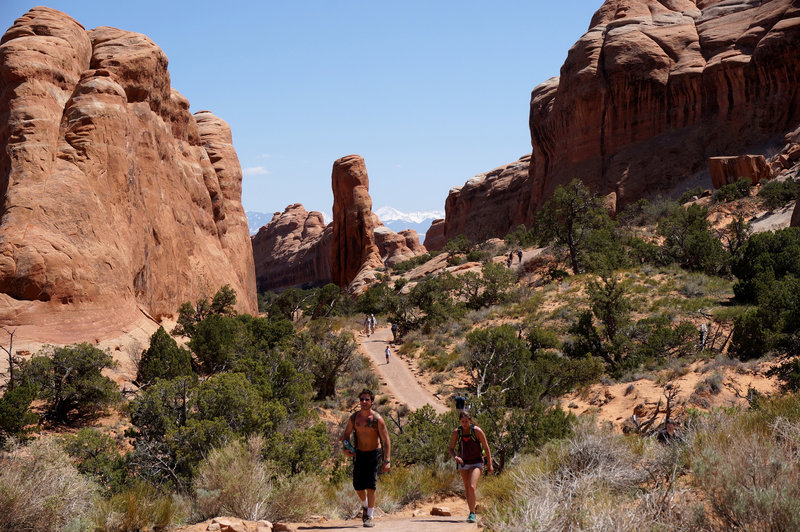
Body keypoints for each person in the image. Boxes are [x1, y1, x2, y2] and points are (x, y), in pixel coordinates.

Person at [340, 389, 391, 528]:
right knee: (358, 485)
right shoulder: (354, 418)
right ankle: (365, 505)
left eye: (367, 399)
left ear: (372, 401)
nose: (363, 402)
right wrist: (347, 449)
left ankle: (370, 516)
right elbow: (345, 436)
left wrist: (387, 460)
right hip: (360, 454)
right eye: (362, 399)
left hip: (374, 453)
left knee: (371, 486)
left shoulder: (377, 419)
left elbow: (386, 441)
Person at [449, 411, 493, 523]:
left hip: (477, 462)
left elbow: (486, 447)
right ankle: (471, 512)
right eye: (462, 422)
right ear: (459, 421)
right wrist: (455, 457)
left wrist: (490, 464)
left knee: (472, 486)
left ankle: (473, 513)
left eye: (466, 421)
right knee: (467, 488)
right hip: (463, 462)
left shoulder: (476, 431)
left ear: (470, 420)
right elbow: (451, 449)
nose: (464, 424)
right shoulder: (457, 432)